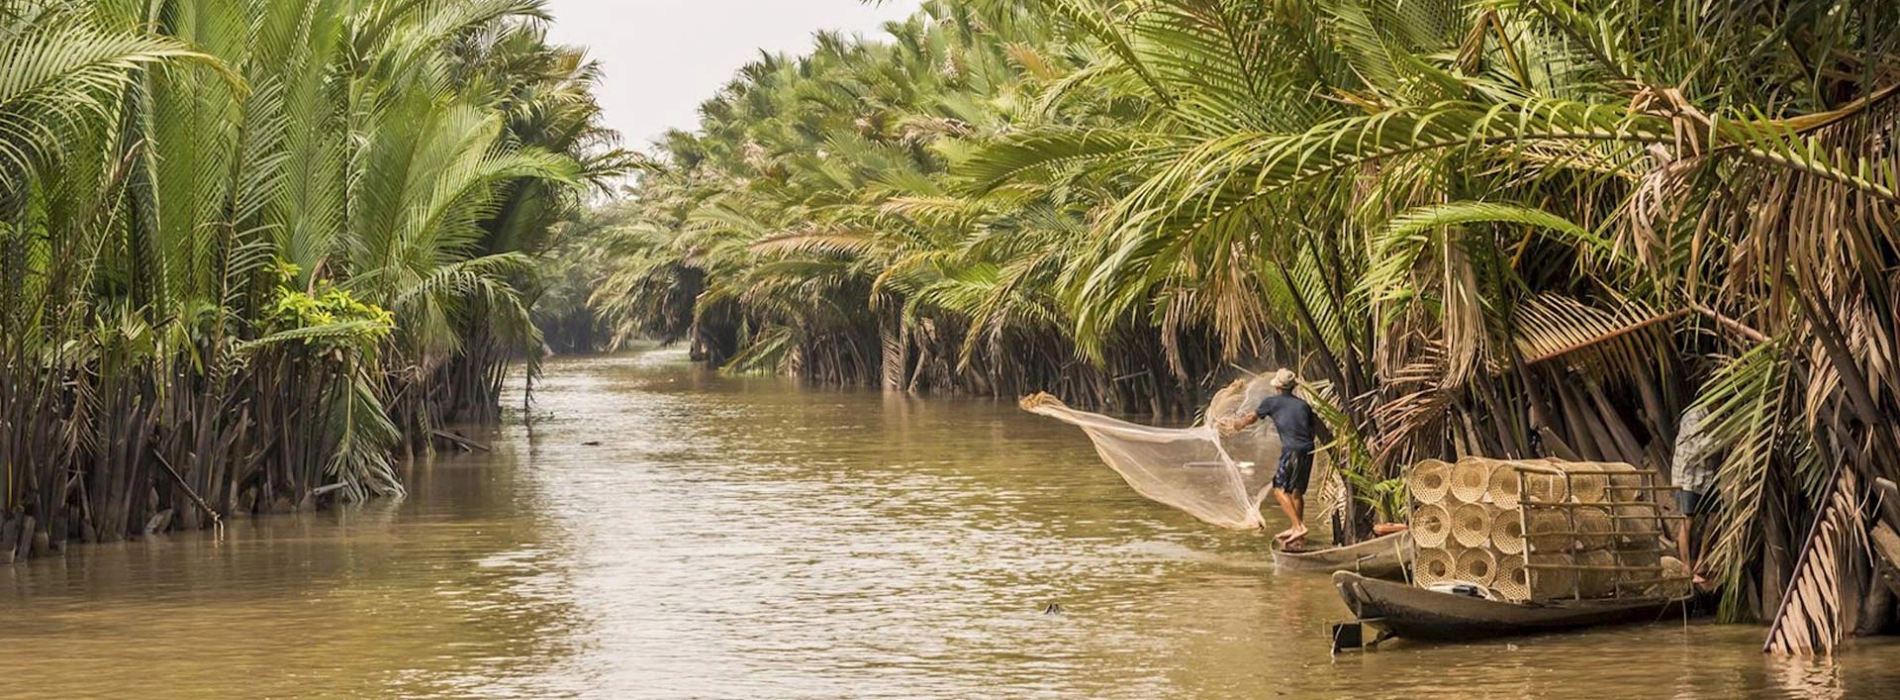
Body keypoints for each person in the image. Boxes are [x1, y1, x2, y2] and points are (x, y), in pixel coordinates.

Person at [1220, 369, 1322, 548]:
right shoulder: (1303, 405)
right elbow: (1312, 428)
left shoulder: (1272, 402)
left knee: (1278, 489)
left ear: (1277, 387)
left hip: (1291, 451)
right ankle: (1297, 534)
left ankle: (1298, 527)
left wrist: (1236, 425)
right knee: (1297, 492)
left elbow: (1252, 418)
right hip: (1308, 450)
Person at [1671, 404, 1716, 585]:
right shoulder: (1693, 416)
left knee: (1716, 514)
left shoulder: (1717, 415)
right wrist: (1730, 436)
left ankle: (1701, 562)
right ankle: (1686, 568)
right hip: (1687, 476)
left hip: (1706, 476)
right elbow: (1702, 446)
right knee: (1687, 520)